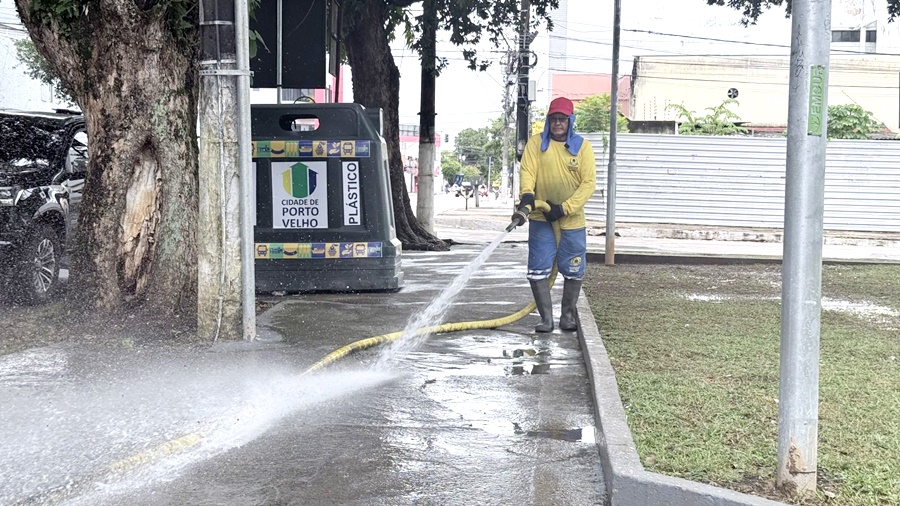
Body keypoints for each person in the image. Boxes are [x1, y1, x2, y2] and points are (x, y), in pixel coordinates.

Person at [512, 97, 596, 332]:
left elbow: (588, 184)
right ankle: (546, 319)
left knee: (574, 269)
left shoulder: (582, 147)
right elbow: (528, 171)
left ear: (570, 121)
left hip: (572, 221)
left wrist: (564, 208)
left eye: (562, 119)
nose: (558, 123)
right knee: (538, 269)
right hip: (541, 219)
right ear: (548, 121)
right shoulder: (536, 144)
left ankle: (567, 317)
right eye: (553, 119)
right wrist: (528, 195)